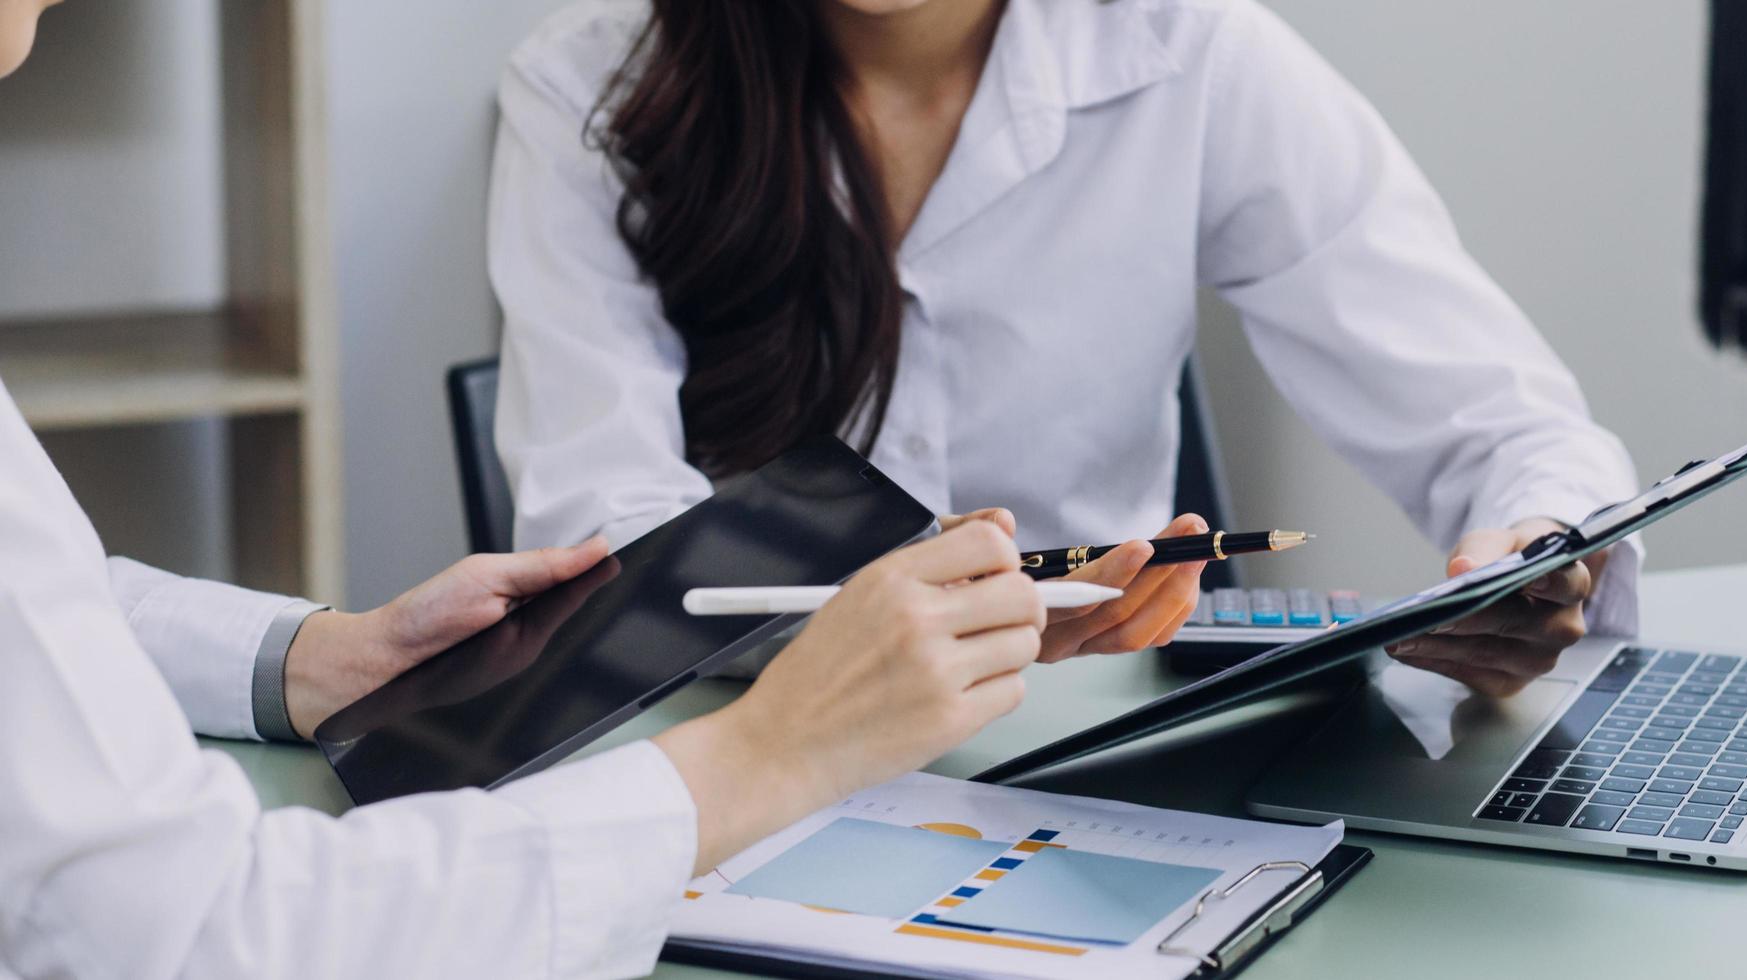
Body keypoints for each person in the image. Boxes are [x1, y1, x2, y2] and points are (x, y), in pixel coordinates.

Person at [0, 3, 1045, 975]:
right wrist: (766, 756)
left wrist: (314, 658)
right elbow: (188, 941)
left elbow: (42, 622)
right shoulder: (590, 83)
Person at [488, 0, 1642, 698]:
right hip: (742, 734)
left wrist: (1539, 549)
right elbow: (601, 533)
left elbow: (1500, 421)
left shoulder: (1188, 48)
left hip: (1090, 733)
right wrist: (868, 605)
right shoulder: (589, 85)